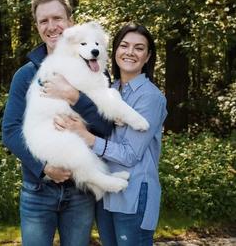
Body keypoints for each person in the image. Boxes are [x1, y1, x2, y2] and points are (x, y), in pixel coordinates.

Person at [2, 0, 112, 246]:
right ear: (37, 26)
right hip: (37, 191)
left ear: (70, 22)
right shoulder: (25, 75)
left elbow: (105, 127)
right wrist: (44, 169)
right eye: (43, 21)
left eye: (57, 18)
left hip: (80, 192)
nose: (51, 27)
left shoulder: (92, 69)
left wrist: (75, 97)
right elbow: (10, 131)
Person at [54, 24, 167, 246]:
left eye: (139, 48)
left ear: (148, 56)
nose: (130, 52)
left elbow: (130, 155)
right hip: (106, 195)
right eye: (124, 45)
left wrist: (87, 137)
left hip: (133, 195)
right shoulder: (109, 89)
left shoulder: (151, 98)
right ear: (114, 51)